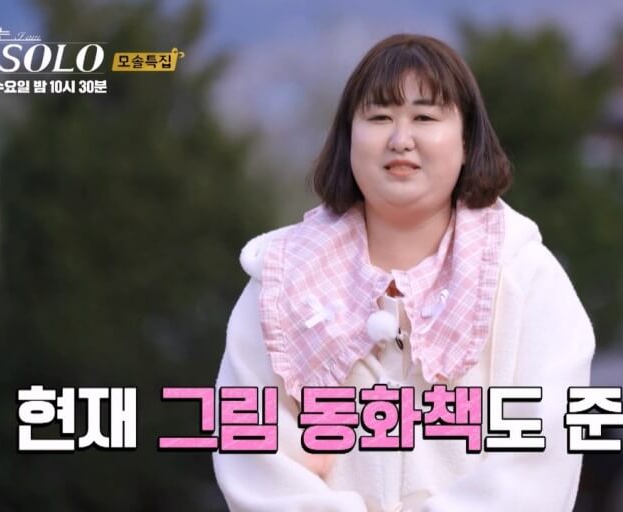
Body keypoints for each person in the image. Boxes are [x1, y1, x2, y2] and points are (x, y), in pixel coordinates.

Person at [213, 33, 595, 512]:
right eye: (378, 118)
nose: (400, 139)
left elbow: (544, 449)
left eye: (424, 117)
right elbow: (251, 447)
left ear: (467, 141)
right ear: (347, 140)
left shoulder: (525, 277)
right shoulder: (281, 278)